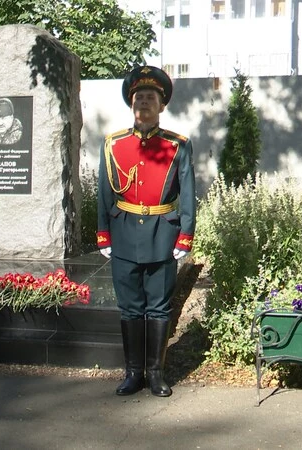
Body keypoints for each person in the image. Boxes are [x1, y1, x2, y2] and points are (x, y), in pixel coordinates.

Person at [96, 66, 196, 397]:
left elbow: (188, 194)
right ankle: (132, 373)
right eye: (139, 97)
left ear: (162, 105)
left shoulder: (177, 145)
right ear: (131, 103)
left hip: (162, 235)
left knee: (159, 307)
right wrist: (103, 233)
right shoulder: (113, 144)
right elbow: (104, 193)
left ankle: (155, 373)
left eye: (150, 97)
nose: (144, 103)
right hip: (124, 235)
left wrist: (185, 234)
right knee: (129, 308)